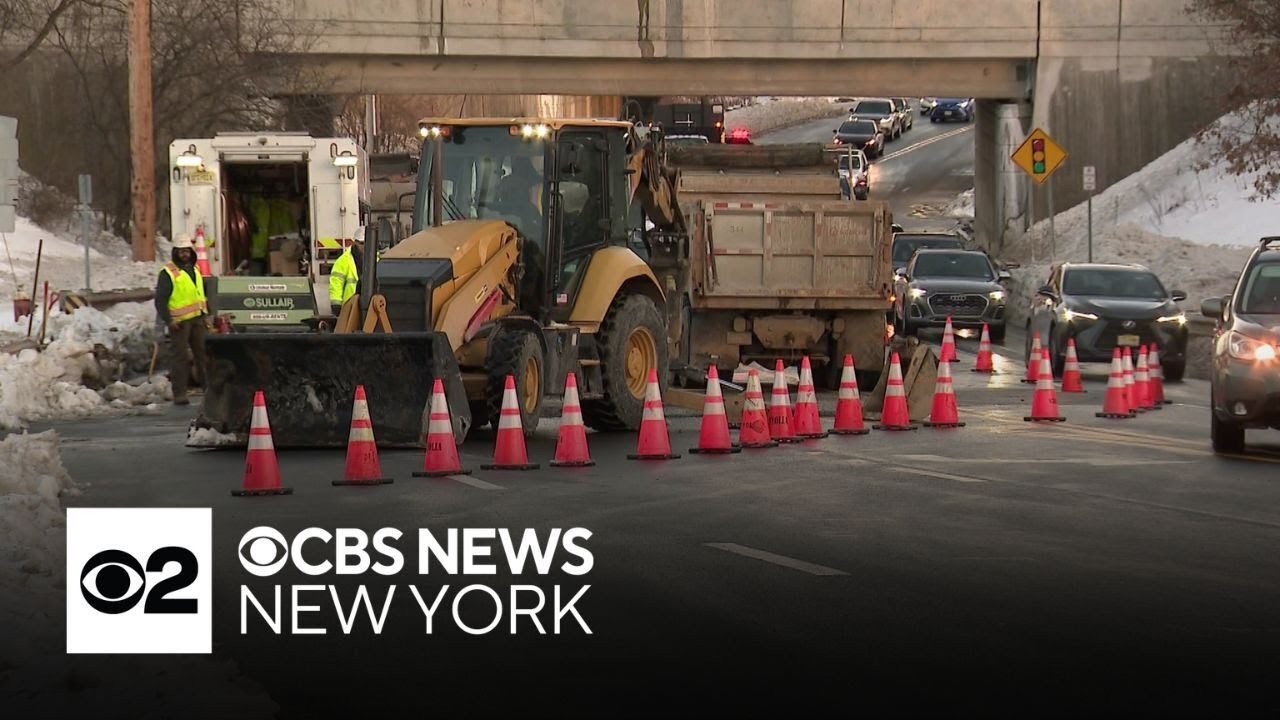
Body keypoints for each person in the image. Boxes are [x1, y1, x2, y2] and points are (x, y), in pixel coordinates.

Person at [155, 235, 210, 406]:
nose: (184, 254)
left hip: (197, 320)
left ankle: (209, 391)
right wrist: (168, 320)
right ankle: (179, 393)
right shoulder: (168, 273)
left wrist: (205, 316)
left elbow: (200, 294)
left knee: (203, 356)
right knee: (180, 358)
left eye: (187, 251)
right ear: (175, 252)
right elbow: (160, 300)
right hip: (179, 323)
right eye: (181, 252)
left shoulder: (195, 270)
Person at [329, 225, 365, 316]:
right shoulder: (343, 260)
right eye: (361, 243)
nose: (364, 246)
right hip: (349, 306)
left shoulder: (376, 258)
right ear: (355, 242)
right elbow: (336, 283)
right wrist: (336, 304)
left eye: (366, 243)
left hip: (368, 305)